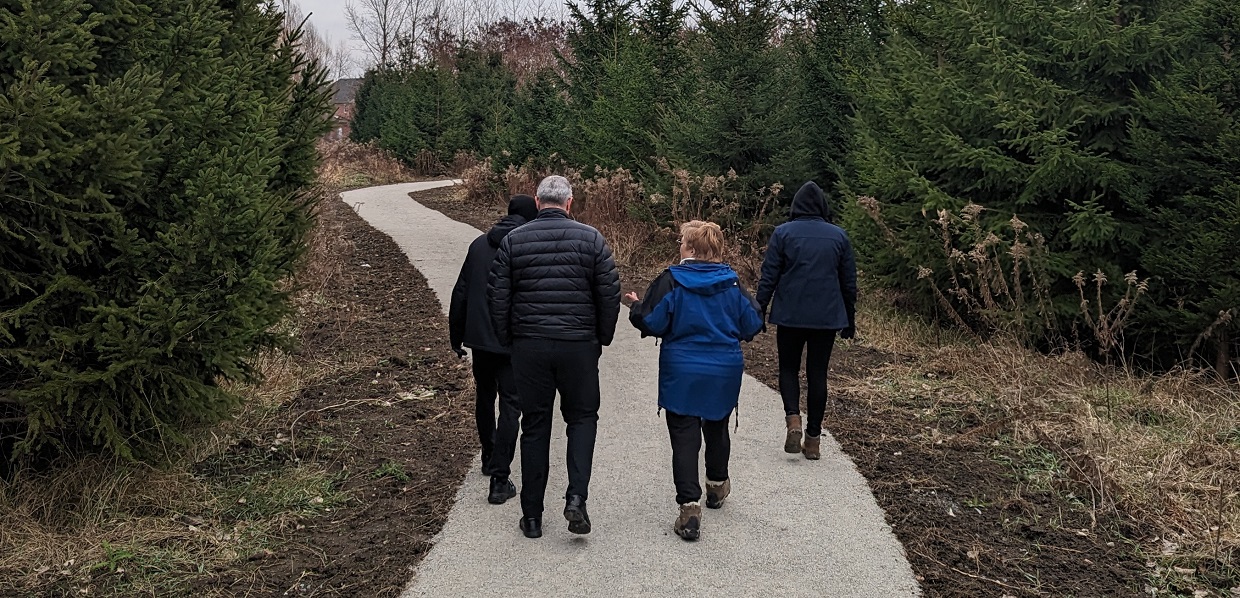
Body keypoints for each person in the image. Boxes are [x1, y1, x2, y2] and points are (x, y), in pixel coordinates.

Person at [488, 175, 621, 539]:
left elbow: (497, 297)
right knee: (582, 418)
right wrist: (600, 340)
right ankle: (576, 497)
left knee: (534, 424)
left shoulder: (514, 241)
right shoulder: (592, 239)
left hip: (529, 345)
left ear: (537, 200)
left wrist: (509, 341)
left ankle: (531, 515)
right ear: (569, 203)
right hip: (578, 345)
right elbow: (609, 293)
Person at [625, 220, 764, 541]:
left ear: (691, 248)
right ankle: (716, 486)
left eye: (682, 242)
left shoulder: (672, 280)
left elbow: (653, 321)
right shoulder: (732, 283)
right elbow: (752, 322)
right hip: (723, 368)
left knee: (684, 437)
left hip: (682, 369)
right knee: (717, 426)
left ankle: (689, 508)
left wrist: (635, 305)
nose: (679, 246)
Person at [756, 181, 857, 460]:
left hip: (790, 314)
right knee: (817, 374)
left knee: (788, 368)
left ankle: (793, 420)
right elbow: (848, 282)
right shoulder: (839, 236)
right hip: (826, 317)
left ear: (795, 206)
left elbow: (769, 277)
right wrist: (850, 319)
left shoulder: (783, 233)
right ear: (823, 207)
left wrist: (759, 311)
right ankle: (813, 440)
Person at [449, 194, 539, 505]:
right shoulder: (528, 246)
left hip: (480, 340)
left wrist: (455, 336)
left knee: (485, 397)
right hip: (513, 341)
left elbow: (460, 291)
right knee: (512, 406)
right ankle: (501, 477)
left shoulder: (477, 245)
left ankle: (488, 457)